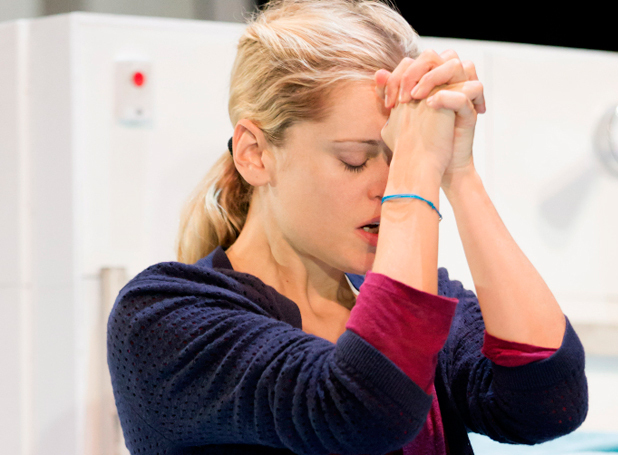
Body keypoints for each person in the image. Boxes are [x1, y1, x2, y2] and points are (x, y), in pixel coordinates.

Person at [107, 0, 588, 454]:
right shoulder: (164, 317)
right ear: (255, 153)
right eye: (355, 160)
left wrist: (459, 172)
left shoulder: (418, 306)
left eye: (399, 157)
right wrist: (416, 170)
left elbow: (548, 402)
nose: (389, 185)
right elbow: (363, 408)